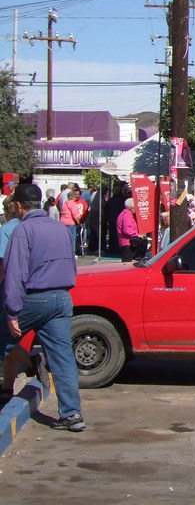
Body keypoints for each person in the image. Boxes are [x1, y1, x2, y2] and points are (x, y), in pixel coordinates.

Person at [1, 183, 85, 431]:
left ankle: (21, 371)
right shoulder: (60, 228)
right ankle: (72, 415)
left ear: (18, 206)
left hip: (34, 298)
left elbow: (15, 273)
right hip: (62, 298)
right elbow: (72, 265)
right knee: (62, 357)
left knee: (3, 337)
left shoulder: (23, 230)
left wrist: (12, 312)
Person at [0, 195, 37, 403]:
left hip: (8, 290)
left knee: (5, 339)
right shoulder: (30, 228)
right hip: (31, 288)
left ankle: (33, 362)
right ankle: (7, 387)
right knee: (11, 339)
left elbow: (2, 267)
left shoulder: (7, 230)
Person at [60, 188, 87, 256]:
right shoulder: (73, 204)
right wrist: (79, 223)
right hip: (71, 223)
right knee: (72, 238)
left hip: (63, 222)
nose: (76, 197)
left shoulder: (64, 204)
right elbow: (75, 215)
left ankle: (64, 252)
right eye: (75, 196)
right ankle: (72, 253)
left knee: (65, 238)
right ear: (72, 197)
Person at [116, 198, 143, 263]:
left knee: (127, 261)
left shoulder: (124, 214)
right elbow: (127, 230)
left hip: (125, 242)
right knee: (127, 262)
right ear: (132, 208)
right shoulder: (127, 215)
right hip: (127, 242)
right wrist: (137, 235)